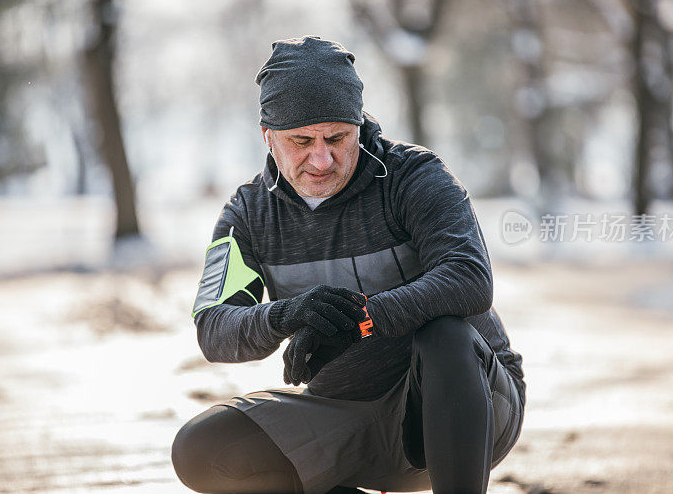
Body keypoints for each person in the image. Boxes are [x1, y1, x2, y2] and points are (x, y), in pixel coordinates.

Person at [171, 36, 525, 494]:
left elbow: (469, 278)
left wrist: (362, 319)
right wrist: (289, 314)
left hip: (467, 409)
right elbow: (214, 328)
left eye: (337, 137)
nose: (322, 158)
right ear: (268, 137)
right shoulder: (248, 214)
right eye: (301, 141)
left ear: (358, 125)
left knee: (446, 336)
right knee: (201, 450)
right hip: (345, 416)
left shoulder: (414, 177)